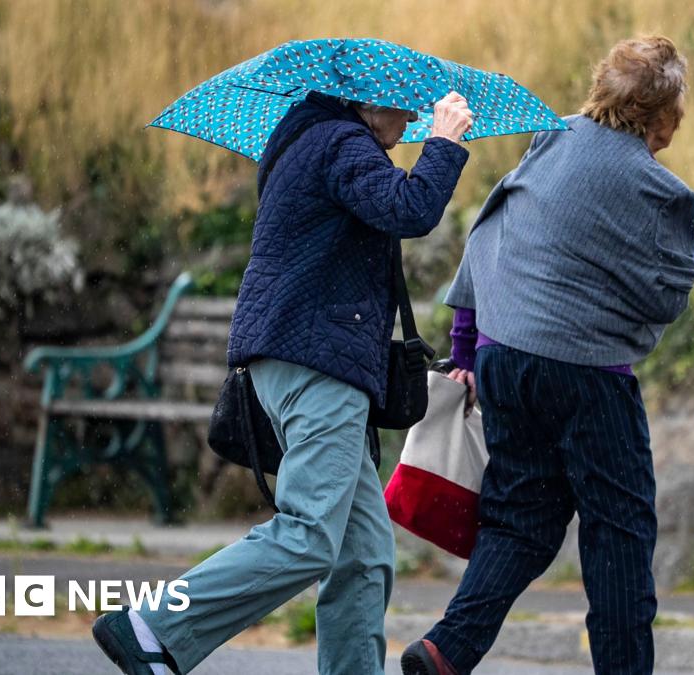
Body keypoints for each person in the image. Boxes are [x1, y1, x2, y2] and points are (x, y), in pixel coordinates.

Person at [91, 90, 474, 675]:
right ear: (369, 103)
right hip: (319, 367)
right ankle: (154, 624)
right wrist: (444, 144)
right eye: (403, 110)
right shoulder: (343, 142)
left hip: (302, 359)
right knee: (309, 535)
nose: (410, 123)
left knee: (363, 556)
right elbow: (410, 210)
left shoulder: (313, 139)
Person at [401, 36, 694, 675]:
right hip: (587, 376)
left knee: (520, 520)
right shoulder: (661, 190)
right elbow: (667, 295)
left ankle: (445, 650)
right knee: (619, 537)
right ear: (663, 114)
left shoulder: (552, 136)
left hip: (505, 359)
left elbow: (491, 230)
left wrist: (468, 348)